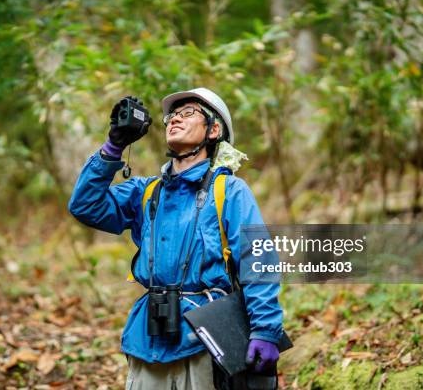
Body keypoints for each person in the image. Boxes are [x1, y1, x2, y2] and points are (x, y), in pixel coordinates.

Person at [68, 88, 284, 389]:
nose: (174, 120)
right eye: (172, 115)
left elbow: (258, 260)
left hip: (207, 337)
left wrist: (266, 329)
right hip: (148, 335)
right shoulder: (145, 192)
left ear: (214, 129)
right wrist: (113, 148)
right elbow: (84, 206)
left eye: (188, 113)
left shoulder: (230, 191)